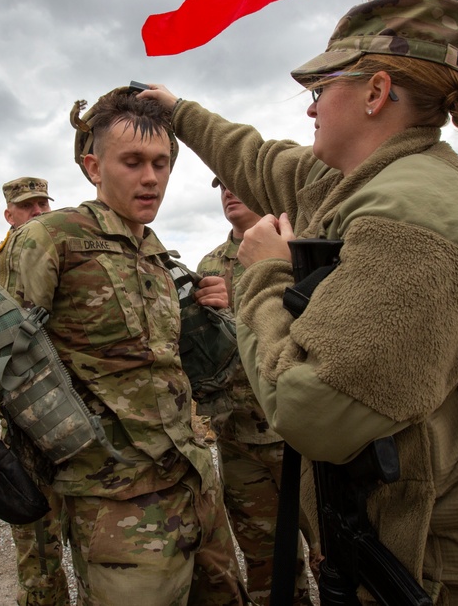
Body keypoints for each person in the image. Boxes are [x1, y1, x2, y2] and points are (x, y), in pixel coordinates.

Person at [140, 0, 458, 604]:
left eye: (319, 89)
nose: (310, 111)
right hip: (407, 556)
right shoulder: (362, 178)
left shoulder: (415, 225)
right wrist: (178, 111)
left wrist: (263, 278)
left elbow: (312, 413)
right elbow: (258, 160)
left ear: (375, 92)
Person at [0, 87, 247, 606]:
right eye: (132, 161)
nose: (150, 177)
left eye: (161, 163)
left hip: (197, 486)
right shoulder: (52, 238)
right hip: (118, 510)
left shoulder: (155, 253)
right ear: (93, 166)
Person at [197, 179, 313, 605]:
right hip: (239, 439)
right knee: (266, 560)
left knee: (334, 552)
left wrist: (241, 306)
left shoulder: (295, 246)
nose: (228, 191)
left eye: (235, 182)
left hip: (302, 438)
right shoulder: (210, 263)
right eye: (220, 186)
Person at [0, 175, 70, 606]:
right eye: (28, 206)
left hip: (81, 428)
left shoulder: (63, 252)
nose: (40, 212)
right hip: (28, 436)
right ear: (9, 215)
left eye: (43, 202)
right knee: (39, 557)